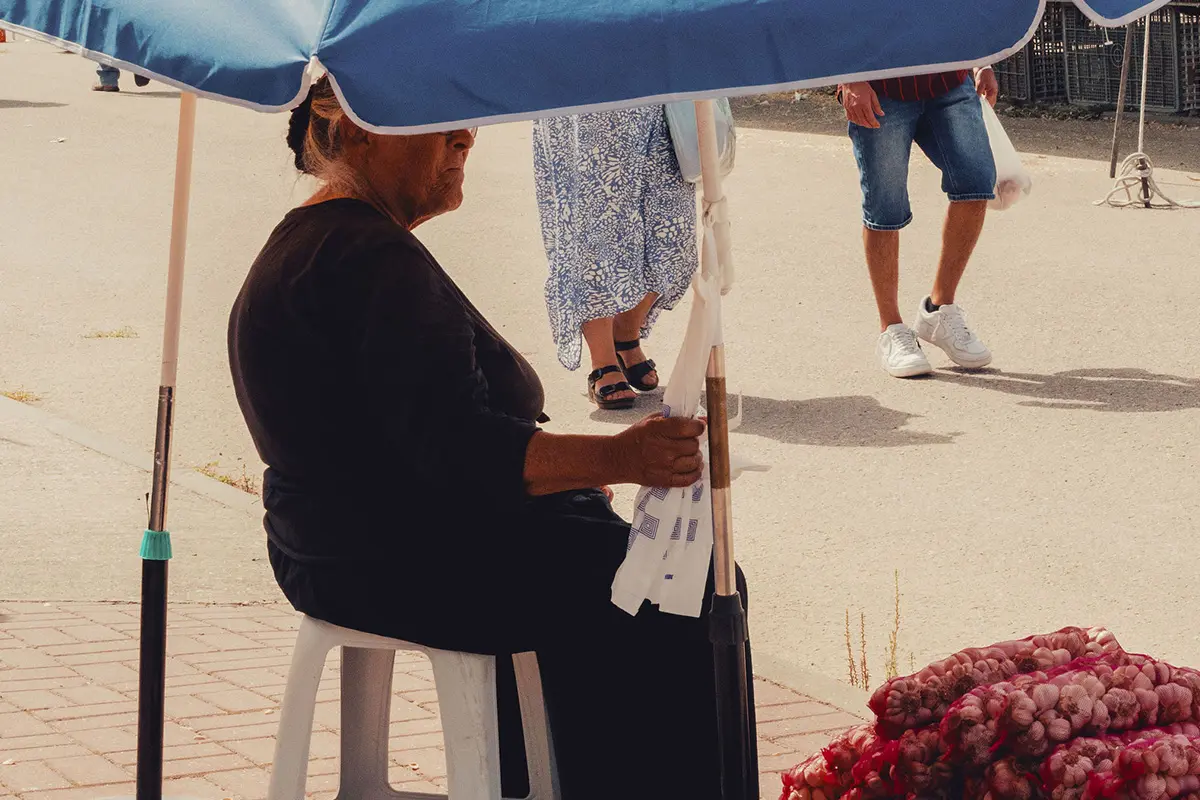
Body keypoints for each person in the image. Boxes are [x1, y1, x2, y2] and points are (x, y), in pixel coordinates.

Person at [227, 76, 749, 800]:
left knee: (619, 560)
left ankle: (539, 777)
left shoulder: (319, 241)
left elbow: (411, 435)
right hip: (400, 559)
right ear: (352, 130)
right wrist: (619, 457)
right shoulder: (368, 258)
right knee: (688, 586)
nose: (463, 139)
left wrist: (565, 474)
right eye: (435, 121)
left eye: (465, 124)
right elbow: (461, 450)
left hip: (336, 545)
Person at [839, 66, 1000, 377]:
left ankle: (939, 310)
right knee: (885, 207)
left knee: (976, 184)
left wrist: (982, 62)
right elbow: (830, 17)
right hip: (880, 83)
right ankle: (892, 328)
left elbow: (960, 14)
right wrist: (849, 78)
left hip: (949, 78)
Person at [532, 107, 697, 410]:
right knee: (597, 223)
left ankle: (625, 334)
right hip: (589, 90)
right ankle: (603, 359)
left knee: (673, 235)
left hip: (658, 86)